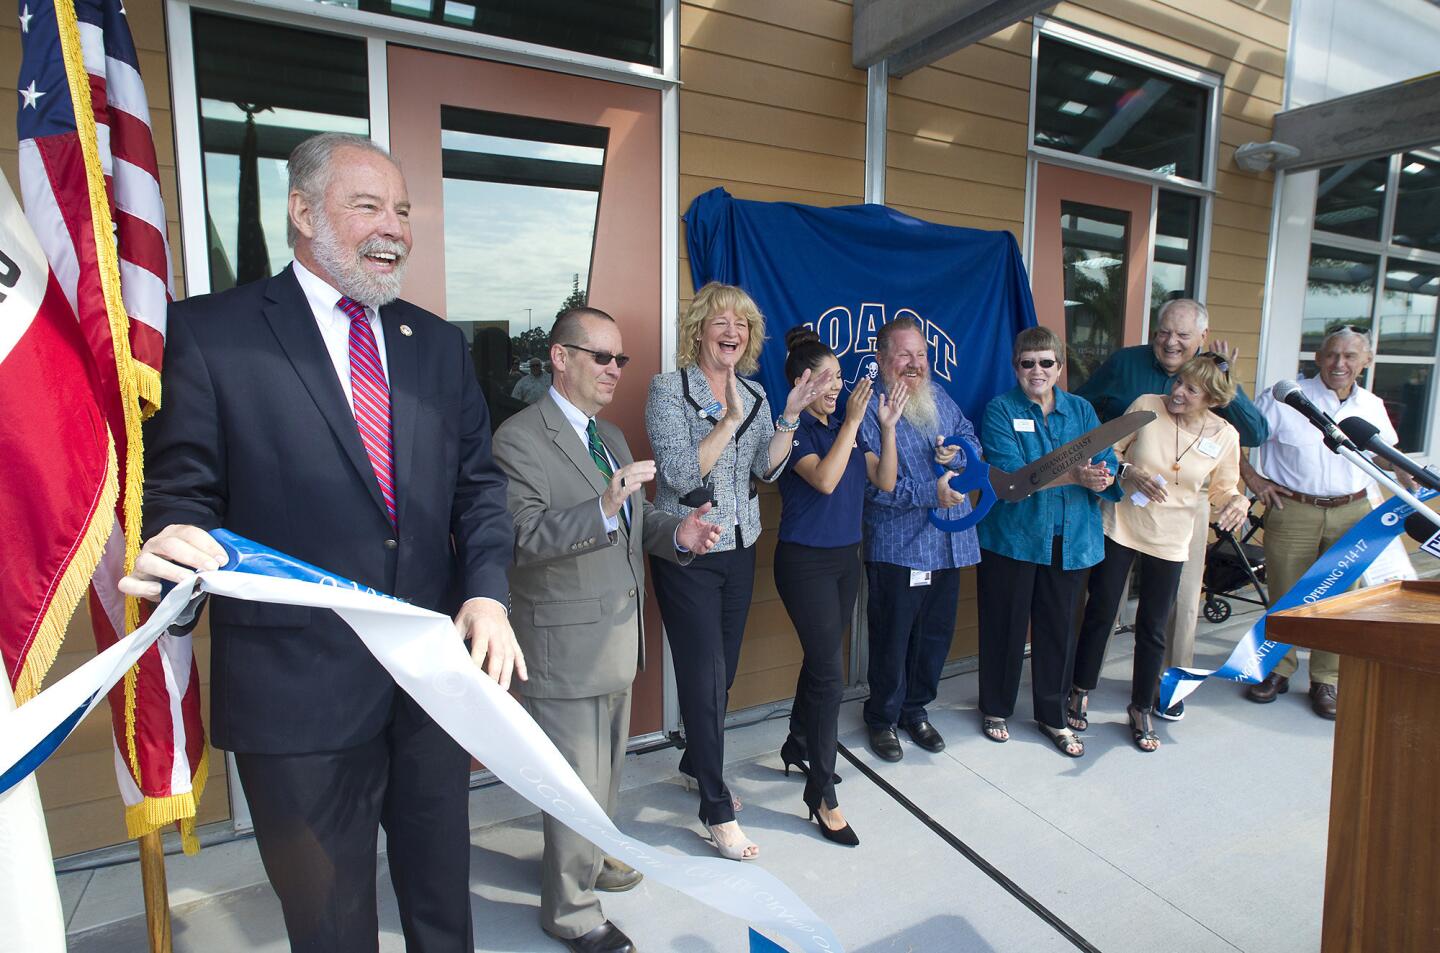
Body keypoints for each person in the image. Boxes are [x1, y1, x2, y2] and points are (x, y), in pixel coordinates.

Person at [118, 133, 524, 952]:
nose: (395, 228)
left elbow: (478, 489)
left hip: (430, 689)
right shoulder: (212, 333)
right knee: (331, 927)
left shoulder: (438, 347)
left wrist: (486, 589)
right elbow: (182, 496)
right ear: (302, 212)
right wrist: (172, 554)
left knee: (445, 913)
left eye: (403, 210)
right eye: (369, 205)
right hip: (294, 698)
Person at [493, 307, 721, 953]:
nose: (616, 369)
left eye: (620, 359)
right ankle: (570, 909)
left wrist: (674, 531)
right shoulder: (518, 439)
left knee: (604, 769)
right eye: (602, 356)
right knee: (575, 779)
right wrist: (603, 503)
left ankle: (592, 855)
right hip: (563, 643)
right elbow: (521, 536)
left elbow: (630, 519)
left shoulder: (611, 436)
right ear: (560, 357)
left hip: (615, 635)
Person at [645, 282, 825, 861]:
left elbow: (766, 473)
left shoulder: (754, 390)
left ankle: (695, 762)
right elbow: (676, 473)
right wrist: (726, 421)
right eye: (720, 321)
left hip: (741, 544)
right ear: (699, 329)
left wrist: (789, 419)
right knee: (703, 673)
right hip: (688, 551)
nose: (732, 331)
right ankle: (715, 807)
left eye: (742, 324)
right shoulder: (668, 389)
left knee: (720, 674)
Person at [1075, 299, 1269, 720]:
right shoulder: (1135, 377)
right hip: (1126, 503)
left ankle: (1162, 691)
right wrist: (1113, 465)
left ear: (1201, 338)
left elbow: (1246, 447)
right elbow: (1084, 411)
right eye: (1164, 331)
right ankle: (1081, 682)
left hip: (1186, 509)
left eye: (1182, 335)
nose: (1171, 341)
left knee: (1173, 611)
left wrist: (1222, 380)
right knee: (1103, 602)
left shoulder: (1220, 408)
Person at [772, 327, 908, 846]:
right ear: (802, 383)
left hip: (845, 559)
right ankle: (821, 790)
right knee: (830, 674)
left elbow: (886, 481)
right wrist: (853, 420)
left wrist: (887, 428)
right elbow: (825, 480)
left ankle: (798, 742)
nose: (837, 385)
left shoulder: (846, 427)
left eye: (839, 376)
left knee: (822, 660)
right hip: (804, 563)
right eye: (825, 378)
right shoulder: (795, 431)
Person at [1240, 327, 1417, 718]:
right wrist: (1253, 480)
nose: (1340, 364)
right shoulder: (1283, 397)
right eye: (1332, 355)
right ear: (1318, 357)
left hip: (1352, 510)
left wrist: (1407, 475)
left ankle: (1327, 679)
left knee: (1340, 599)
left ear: (1365, 363)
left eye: (1350, 357)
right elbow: (1232, 437)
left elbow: (1385, 454)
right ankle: (1276, 670)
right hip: (1293, 508)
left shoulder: (1371, 405)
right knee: (1287, 595)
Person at [976, 327, 1119, 758]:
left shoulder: (1081, 411)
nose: (1037, 370)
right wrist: (1075, 474)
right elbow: (1012, 478)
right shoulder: (1000, 410)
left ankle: (1052, 716)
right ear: (1015, 366)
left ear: (1060, 367)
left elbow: (1106, 460)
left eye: (1046, 362)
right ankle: (996, 708)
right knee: (1005, 626)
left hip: (1072, 539)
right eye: (1027, 362)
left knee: (1058, 631)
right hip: (1013, 539)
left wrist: (1103, 476)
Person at [860, 316, 981, 763]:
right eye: (905, 355)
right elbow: (875, 487)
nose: (915, 364)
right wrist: (934, 492)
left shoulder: (940, 397)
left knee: (934, 636)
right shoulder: (868, 409)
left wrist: (960, 452)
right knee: (893, 637)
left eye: (921, 355)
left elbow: (971, 438)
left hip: (950, 544)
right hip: (900, 547)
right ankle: (882, 718)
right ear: (882, 358)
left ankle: (916, 710)